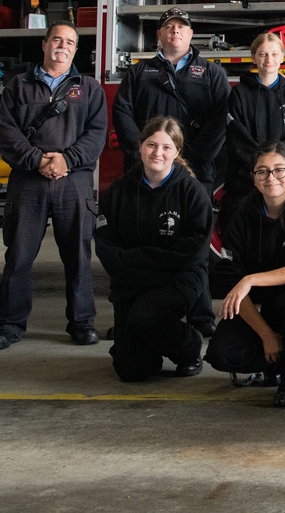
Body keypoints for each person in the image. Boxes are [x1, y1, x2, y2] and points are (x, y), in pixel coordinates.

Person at [0, 21, 107, 350]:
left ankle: (82, 323)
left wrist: (66, 160)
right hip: (28, 182)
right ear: (44, 43)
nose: (63, 45)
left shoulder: (90, 88)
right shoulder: (17, 87)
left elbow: (96, 135)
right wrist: (39, 161)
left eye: (70, 42)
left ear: (75, 50)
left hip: (75, 182)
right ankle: (9, 325)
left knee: (79, 258)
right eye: (57, 39)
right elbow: (6, 134)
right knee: (19, 256)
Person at [111, 6, 230, 335]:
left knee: (196, 246)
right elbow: (122, 113)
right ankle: (138, 310)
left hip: (194, 174)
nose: (175, 31)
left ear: (191, 35)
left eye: (182, 27)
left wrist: (191, 162)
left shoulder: (211, 73)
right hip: (147, 176)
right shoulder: (139, 73)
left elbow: (220, 121)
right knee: (145, 241)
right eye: (169, 27)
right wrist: (146, 157)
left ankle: (202, 316)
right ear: (159, 35)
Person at [205, 142, 285, 407]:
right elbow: (230, 277)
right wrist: (266, 335)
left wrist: (250, 279)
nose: (271, 178)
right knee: (222, 354)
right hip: (263, 304)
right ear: (253, 178)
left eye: (279, 170)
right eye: (262, 171)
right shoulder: (242, 216)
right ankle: (274, 361)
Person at [94, 117, 212, 381]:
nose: (158, 153)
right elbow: (106, 245)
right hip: (131, 280)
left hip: (178, 280)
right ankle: (140, 343)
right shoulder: (118, 192)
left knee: (145, 317)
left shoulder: (192, 192)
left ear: (177, 152)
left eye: (166, 147)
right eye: (151, 145)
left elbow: (194, 251)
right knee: (132, 371)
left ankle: (189, 347)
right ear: (140, 147)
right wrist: (140, 266)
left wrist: (139, 260)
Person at [223, 33, 285, 219]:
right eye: (263, 54)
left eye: (274, 54)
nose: (269, 60)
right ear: (253, 57)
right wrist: (262, 171)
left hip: (282, 184)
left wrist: (276, 172)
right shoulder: (239, 94)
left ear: (282, 57)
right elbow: (238, 139)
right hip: (245, 182)